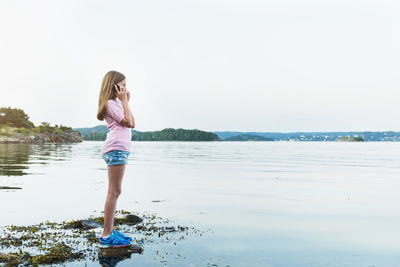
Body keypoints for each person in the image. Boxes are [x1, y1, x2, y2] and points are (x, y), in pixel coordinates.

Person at [96, 70, 135, 248]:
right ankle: (106, 236)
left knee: (115, 192)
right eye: (123, 85)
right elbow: (128, 122)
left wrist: (126, 102)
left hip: (120, 149)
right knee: (114, 192)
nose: (126, 88)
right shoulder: (111, 103)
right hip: (116, 148)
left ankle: (109, 231)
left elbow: (132, 122)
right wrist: (124, 101)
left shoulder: (117, 103)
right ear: (114, 86)